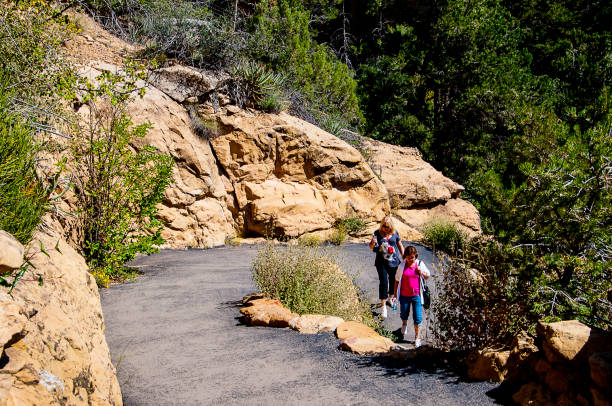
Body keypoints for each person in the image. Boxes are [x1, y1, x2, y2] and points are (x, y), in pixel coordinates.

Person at [392, 245, 430, 347]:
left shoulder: (419, 264)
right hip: (404, 295)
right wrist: (395, 295)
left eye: (412, 257)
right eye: (408, 257)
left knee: (417, 317)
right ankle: (404, 325)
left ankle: (417, 338)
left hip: (416, 295)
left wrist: (421, 272)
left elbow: (427, 276)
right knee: (404, 313)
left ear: (415, 256)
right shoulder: (402, 266)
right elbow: (396, 281)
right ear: (405, 257)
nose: (410, 259)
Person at [369, 216, 404, 318]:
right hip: (381, 262)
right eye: (384, 226)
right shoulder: (376, 233)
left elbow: (399, 244)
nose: (385, 228)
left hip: (394, 262)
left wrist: (404, 256)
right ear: (381, 225)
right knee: (384, 282)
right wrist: (372, 243)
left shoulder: (394, 233)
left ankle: (390, 298)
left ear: (391, 226)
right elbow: (371, 247)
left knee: (393, 281)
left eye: (387, 226)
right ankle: (383, 307)